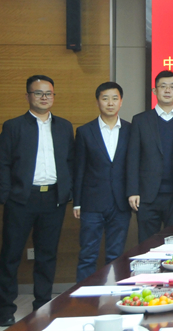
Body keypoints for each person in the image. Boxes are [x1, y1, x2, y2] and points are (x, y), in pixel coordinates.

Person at [0, 75, 74, 326]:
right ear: (28, 96)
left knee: (47, 255)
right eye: (38, 93)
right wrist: (6, 196)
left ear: (53, 96)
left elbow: (70, 162)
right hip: (21, 199)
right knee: (11, 255)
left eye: (48, 93)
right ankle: (5, 308)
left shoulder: (64, 126)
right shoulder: (13, 126)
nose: (44, 97)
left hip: (53, 199)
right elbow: (2, 163)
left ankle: (42, 305)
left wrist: (68, 192)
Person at [126, 71, 173, 243]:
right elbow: (133, 158)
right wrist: (133, 191)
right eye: (163, 86)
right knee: (147, 244)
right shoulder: (140, 120)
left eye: (172, 87)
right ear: (154, 91)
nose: (167, 90)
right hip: (147, 195)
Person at [73, 82, 132, 283]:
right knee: (88, 254)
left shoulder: (131, 130)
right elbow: (79, 168)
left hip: (121, 202)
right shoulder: (85, 131)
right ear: (98, 101)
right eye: (105, 98)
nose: (110, 103)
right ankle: (84, 296)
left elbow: (134, 166)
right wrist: (77, 202)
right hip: (92, 202)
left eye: (115, 98)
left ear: (121, 102)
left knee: (116, 255)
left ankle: (112, 295)